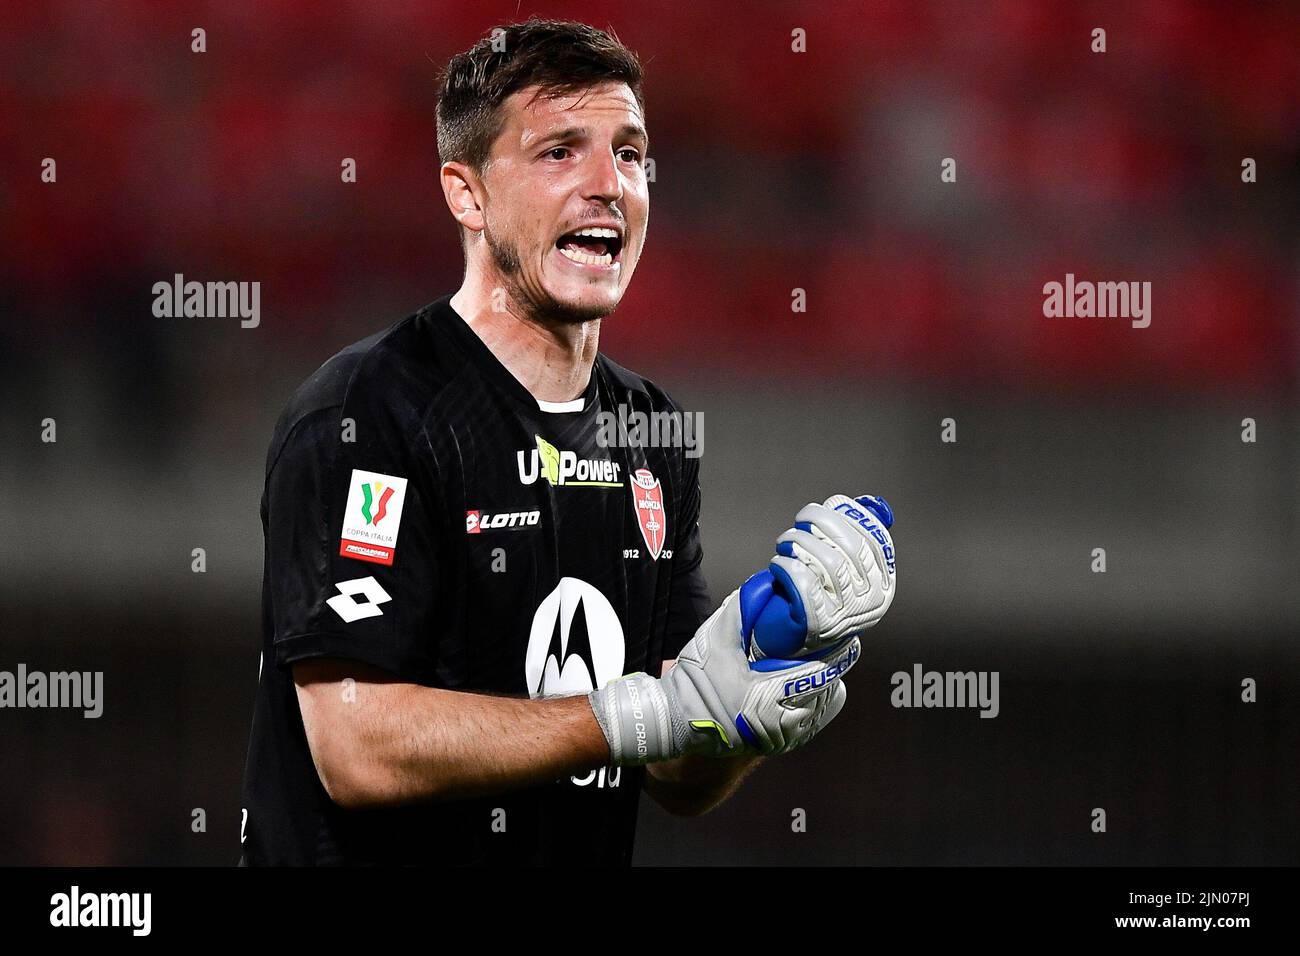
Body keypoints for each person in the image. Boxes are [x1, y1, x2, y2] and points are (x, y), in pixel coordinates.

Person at [238, 18, 895, 866]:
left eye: (628, 153)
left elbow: (678, 778)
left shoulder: (649, 435)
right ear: (466, 194)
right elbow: (355, 748)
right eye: (558, 153)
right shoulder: (369, 413)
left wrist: (749, 690)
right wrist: (635, 714)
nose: (608, 185)